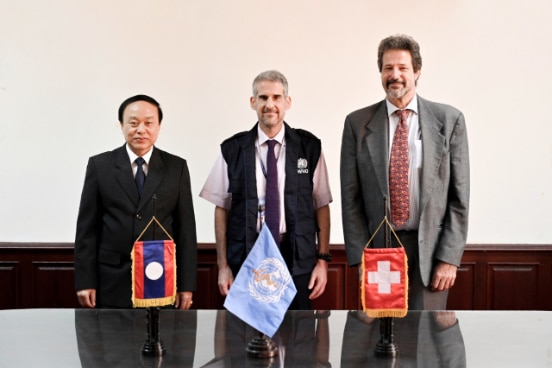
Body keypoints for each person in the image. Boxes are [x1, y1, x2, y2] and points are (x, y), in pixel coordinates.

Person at [340, 34, 469, 310]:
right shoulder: (357, 124)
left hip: (431, 254)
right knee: (381, 340)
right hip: (379, 251)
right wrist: (361, 258)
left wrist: (449, 258)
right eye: (388, 68)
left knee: (426, 342)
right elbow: (350, 199)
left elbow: (459, 199)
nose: (394, 75)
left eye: (402, 68)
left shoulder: (449, 121)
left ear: (417, 71)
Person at [200, 70, 332, 310]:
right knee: (248, 338)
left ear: (287, 102)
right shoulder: (232, 149)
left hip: (296, 257)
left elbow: (321, 204)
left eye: (276, 97)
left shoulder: (309, 147)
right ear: (253, 102)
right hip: (247, 256)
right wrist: (222, 266)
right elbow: (222, 210)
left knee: (297, 337)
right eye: (263, 98)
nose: (269, 104)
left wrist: (322, 261)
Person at [74, 94, 197, 309]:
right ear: (121, 125)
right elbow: (87, 230)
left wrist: (186, 285)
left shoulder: (176, 167)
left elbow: (186, 229)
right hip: (110, 279)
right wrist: (85, 282)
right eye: (133, 123)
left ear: (158, 126)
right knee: (113, 342)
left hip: (160, 279)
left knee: (158, 340)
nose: (141, 130)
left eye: (149, 123)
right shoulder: (99, 166)